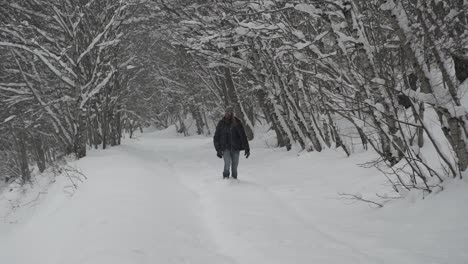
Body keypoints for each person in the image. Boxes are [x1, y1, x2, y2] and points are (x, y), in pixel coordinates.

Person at [213, 106, 250, 179]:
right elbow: (216, 137)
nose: (227, 114)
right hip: (225, 147)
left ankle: (234, 180)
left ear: (232, 113)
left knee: (235, 166)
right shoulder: (221, 123)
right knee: (227, 164)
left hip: (235, 147)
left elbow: (243, 136)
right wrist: (218, 149)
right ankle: (225, 178)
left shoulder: (237, 122)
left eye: (228, 112)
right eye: (226, 112)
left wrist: (247, 148)